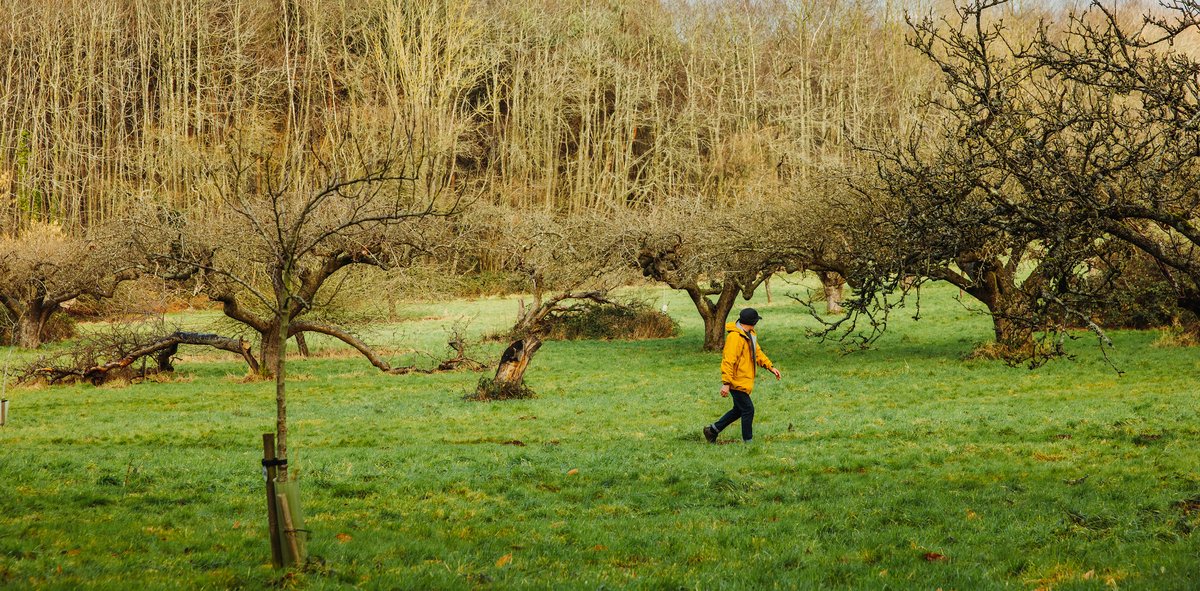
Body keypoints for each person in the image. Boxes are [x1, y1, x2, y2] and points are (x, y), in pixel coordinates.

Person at [703, 307, 781, 444]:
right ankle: (748, 442)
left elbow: (757, 353)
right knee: (748, 409)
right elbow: (728, 361)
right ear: (753, 322)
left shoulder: (750, 334)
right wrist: (726, 384)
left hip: (743, 381)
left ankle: (712, 430)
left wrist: (771, 367)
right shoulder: (735, 337)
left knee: (739, 410)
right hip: (735, 381)